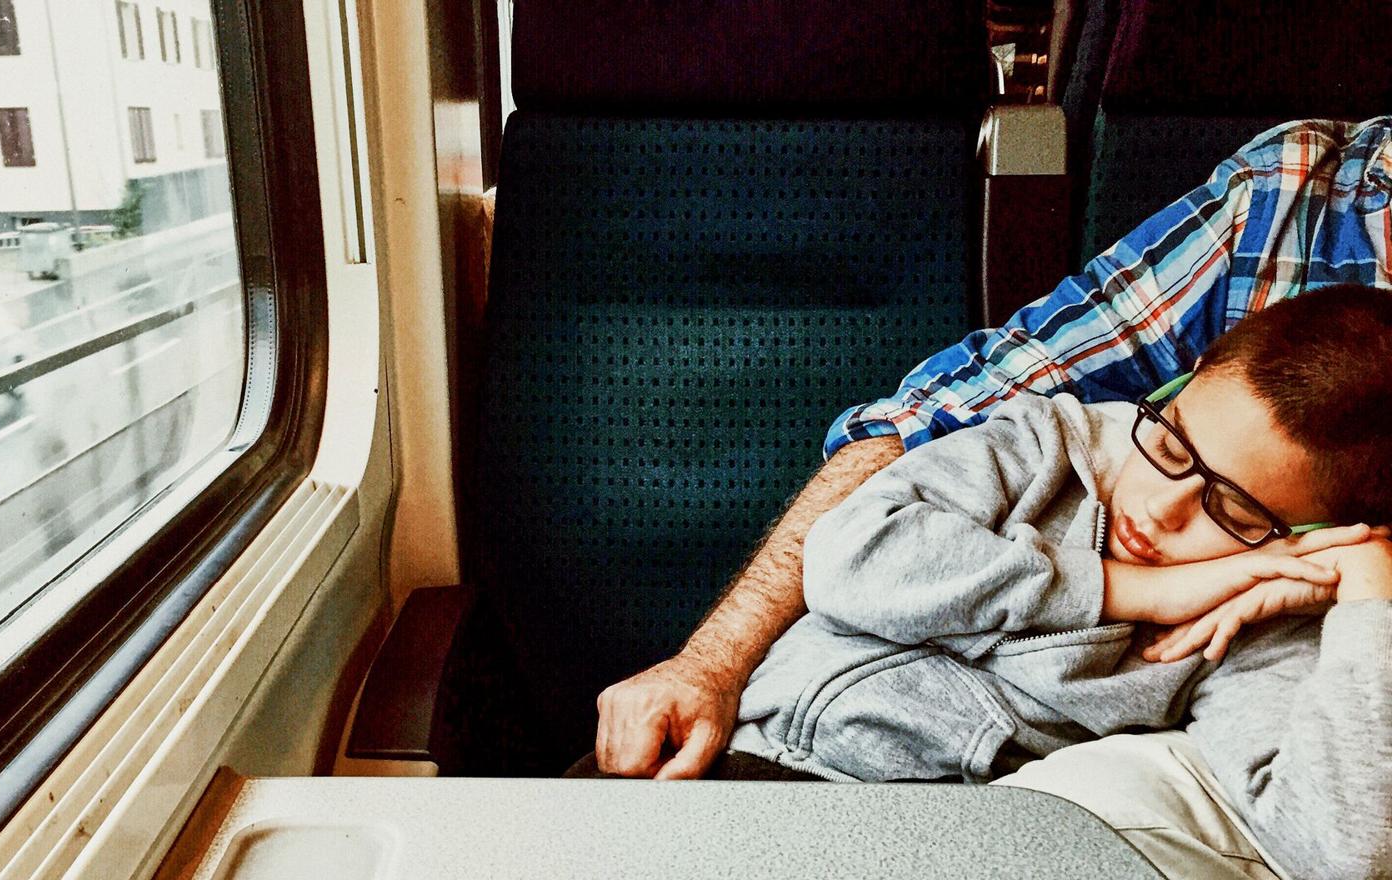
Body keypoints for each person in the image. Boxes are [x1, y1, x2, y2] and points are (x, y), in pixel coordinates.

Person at [594, 116, 1392, 784]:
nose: (1165, 503)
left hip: (942, 811)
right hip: (755, 743)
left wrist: (1365, 595)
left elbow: (1330, 836)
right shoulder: (1050, 438)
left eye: (1235, 509)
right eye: (1174, 444)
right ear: (1183, 385)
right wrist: (709, 665)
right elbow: (921, 442)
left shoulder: (1252, 627)